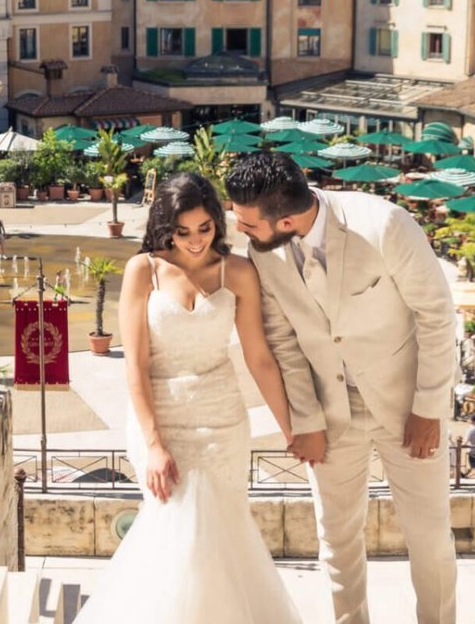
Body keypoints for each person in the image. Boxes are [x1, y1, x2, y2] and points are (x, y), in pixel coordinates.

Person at [226, 151, 459, 624]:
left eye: (248, 225)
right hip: (330, 414)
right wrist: (304, 423)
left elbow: (436, 316)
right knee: (336, 542)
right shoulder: (263, 252)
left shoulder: (386, 225)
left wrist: (429, 408)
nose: (240, 233)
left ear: (287, 219)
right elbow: (283, 341)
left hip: (408, 407)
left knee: (430, 540)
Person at [75, 173, 299, 624]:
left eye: (205, 228)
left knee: (222, 537)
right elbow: (135, 366)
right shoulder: (144, 270)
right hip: (162, 424)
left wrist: (295, 429)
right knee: (170, 536)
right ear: (166, 228)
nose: (196, 241)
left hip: (223, 423)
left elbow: (259, 358)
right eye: (183, 231)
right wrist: (155, 445)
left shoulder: (237, 272)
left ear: (217, 223)